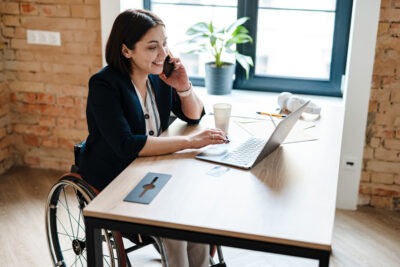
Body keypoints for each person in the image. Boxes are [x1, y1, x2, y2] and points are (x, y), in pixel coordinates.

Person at [78, 8, 228, 267]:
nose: (163, 53)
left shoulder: (159, 78)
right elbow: (127, 145)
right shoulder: (104, 85)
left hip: (154, 169)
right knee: (175, 228)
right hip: (117, 174)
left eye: (165, 44)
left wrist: (183, 87)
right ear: (127, 50)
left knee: (196, 215)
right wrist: (190, 142)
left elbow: (193, 116)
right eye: (152, 47)